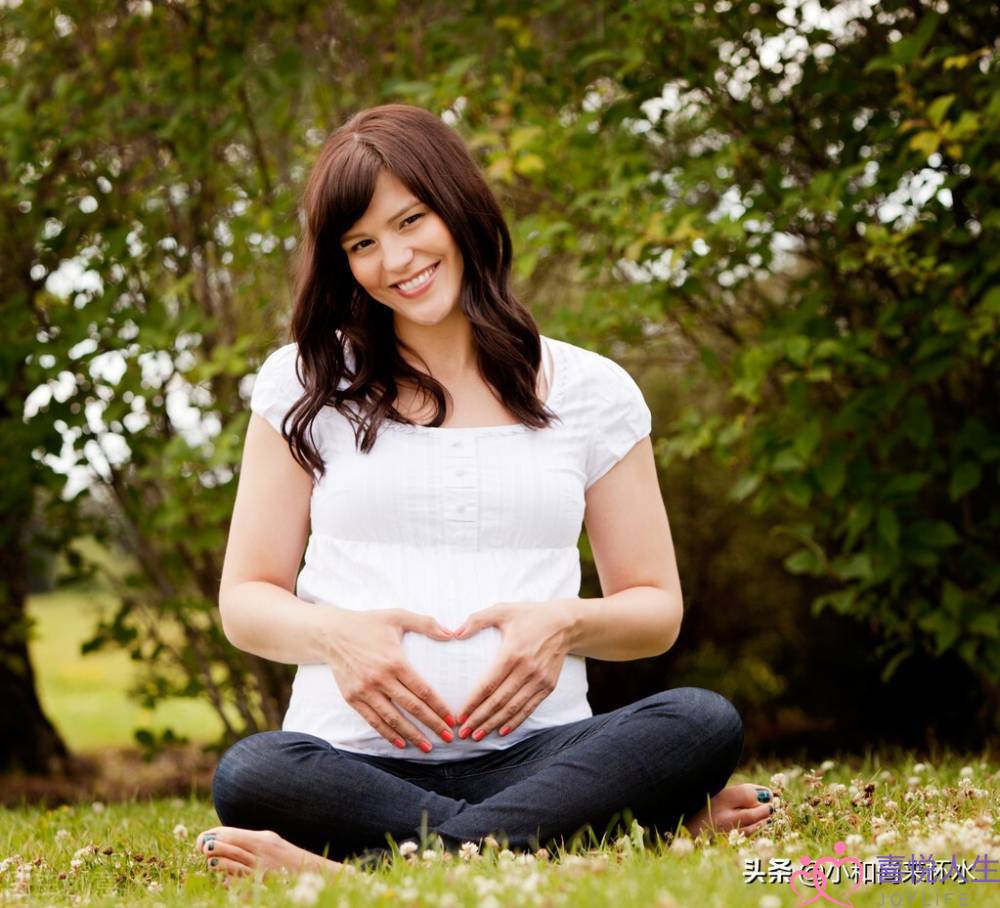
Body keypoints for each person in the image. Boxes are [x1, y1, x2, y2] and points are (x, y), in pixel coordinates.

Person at [194, 104, 776, 878]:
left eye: (411, 220)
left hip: (543, 758)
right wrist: (337, 635)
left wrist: (563, 624)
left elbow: (655, 610)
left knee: (702, 722)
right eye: (362, 243)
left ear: (459, 207)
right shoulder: (306, 383)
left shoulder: (591, 389)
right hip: (355, 762)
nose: (395, 259)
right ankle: (587, 838)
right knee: (251, 773)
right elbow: (246, 599)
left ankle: (366, 869)